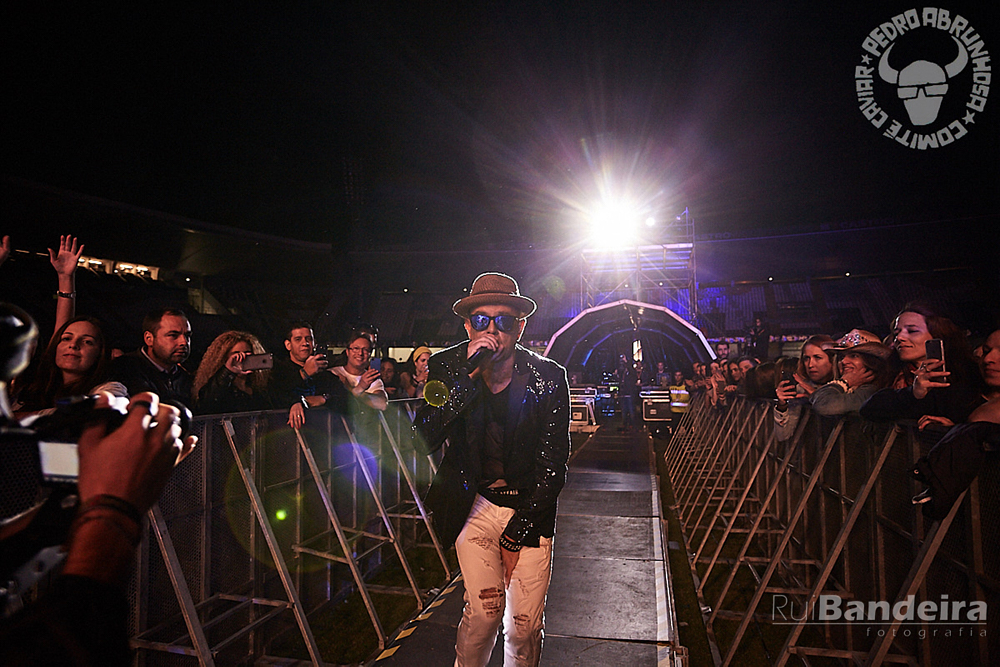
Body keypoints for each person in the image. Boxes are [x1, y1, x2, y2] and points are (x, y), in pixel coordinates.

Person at [0, 303, 198, 666]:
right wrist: (114, 511)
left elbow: (72, 632)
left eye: (87, 341)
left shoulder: (109, 390)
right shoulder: (28, 385)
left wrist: (96, 509)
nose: (74, 346)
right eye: (67, 339)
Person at [412, 272, 569, 667]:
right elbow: (422, 437)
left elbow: (552, 464)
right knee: (484, 614)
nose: (493, 330)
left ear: (520, 325)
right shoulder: (449, 367)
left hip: (529, 507)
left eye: (504, 320)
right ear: (468, 326)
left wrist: (516, 535)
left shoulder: (548, 378)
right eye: (482, 320)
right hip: (475, 503)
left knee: (523, 627)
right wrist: (467, 380)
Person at [860, 303, 984, 426]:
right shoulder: (892, 372)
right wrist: (913, 393)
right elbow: (869, 409)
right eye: (896, 332)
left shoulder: (966, 373)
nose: (899, 337)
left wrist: (955, 428)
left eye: (912, 331)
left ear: (938, 335)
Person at [107, 307, 193, 406]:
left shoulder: (186, 379)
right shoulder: (123, 370)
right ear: (149, 339)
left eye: (187, 336)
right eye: (173, 335)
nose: (184, 342)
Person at [268, 321, 339, 429]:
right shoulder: (277, 371)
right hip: (286, 437)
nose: (305, 343)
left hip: (321, 435)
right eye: (298, 339)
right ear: (288, 345)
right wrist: (304, 374)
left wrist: (325, 399)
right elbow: (275, 394)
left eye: (309, 339)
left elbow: (350, 402)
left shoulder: (323, 373)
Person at [809, 330, 893, 416]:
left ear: (871, 362)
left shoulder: (870, 392)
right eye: (841, 357)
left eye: (854, 356)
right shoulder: (850, 388)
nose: (844, 361)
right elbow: (814, 398)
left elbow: (823, 405)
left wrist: (844, 381)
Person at [192, 331, 273, 414]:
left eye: (247, 354)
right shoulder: (218, 387)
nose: (243, 358)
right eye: (237, 355)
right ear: (223, 358)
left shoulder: (259, 388)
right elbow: (206, 404)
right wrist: (228, 371)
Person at [329, 330, 387, 412]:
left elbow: (382, 404)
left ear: (370, 354)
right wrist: (362, 395)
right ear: (347, 352)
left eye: (365, 350)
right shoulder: (334, 373)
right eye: (356, 348)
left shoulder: (372, 379)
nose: (360, 353)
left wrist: (355, 388)